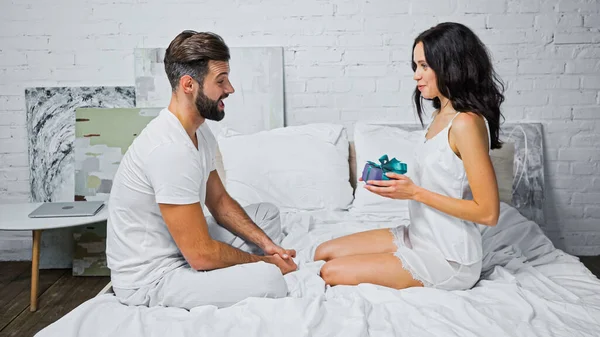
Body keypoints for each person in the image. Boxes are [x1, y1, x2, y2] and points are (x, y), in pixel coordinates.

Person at [106, 30, 297, 310]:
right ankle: (234, 272)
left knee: (266, 215)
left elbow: (219, 201)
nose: (230, 89)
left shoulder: (199, 130)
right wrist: (266, 263)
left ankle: (234, 266)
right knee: (271, 281)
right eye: (220, 81)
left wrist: (270, 246)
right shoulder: (170, 150)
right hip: (151, 279)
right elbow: (199, 253)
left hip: (181, 248)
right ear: (188, 85)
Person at [314, 22, 504, 291]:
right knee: (323, 251)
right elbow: (443, 177)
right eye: (415, 66)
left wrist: (414, 193)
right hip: (418, 235)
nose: (416, 75)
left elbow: (488, 213)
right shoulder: (440, 115)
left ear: (451, 65)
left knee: (330, 272)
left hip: (449, 256)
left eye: (425, 66)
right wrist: (393, 182)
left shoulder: (466, 123)